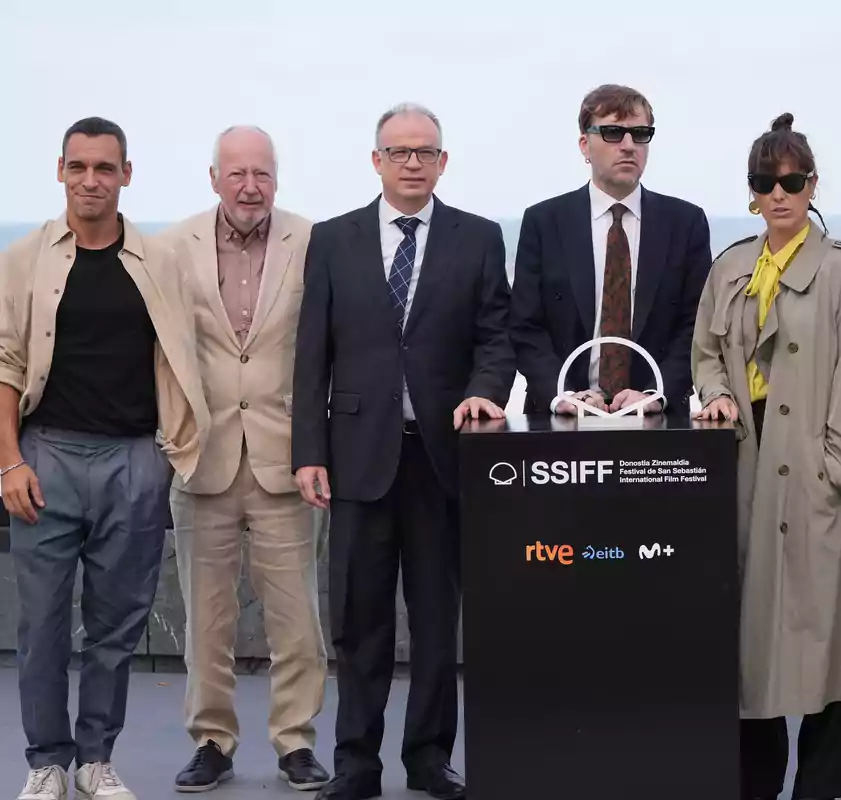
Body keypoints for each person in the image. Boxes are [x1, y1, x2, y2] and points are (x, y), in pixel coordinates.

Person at [291, 102, 514, 800]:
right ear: (377, 160)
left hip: (443, 459)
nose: (413, 162)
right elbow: (310, 356)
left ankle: (427, 760)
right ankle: (356, 764)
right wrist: (307, 451)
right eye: (400, 151)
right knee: (361, 623)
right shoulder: (332, 239)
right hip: (356, 458)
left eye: (425, 151)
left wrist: (486, 391)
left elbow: (495, 337)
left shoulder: (478, 239)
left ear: (443, 162)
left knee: (437, 622)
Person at [0, 117, 209, 800]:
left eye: (105, 168)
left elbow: (186, 354)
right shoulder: (24, 259)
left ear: (126, 174)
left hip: (135, 461)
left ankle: (95, 759)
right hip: (47, 457)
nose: (92, 180)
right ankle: (47, 763)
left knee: (117, 627)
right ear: (61, 170)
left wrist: (171, 454)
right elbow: (5, 365)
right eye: (79, 167)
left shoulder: (159, 263)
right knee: (42, 627)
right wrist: (9, 462)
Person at [692, 113, 841, 800]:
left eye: (790, 181)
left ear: (811, 185)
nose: (778, 194)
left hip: (817, 480)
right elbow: (705, 355)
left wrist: (836, 469)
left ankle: (820, 787)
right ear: (751, 192)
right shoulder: (730, 267)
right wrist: (716, 394)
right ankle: (754, 783)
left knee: (824, 648)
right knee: (751, 649)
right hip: (745, 473)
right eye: (763, 182)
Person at [163, 125, 330, 793]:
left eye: (261, 173)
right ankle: (211, 741)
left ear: (276, 179)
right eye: (237, 174)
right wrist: (169, 433)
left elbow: (330, 344)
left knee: (298, 621)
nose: (250, 186)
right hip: (200, 463)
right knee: (206, 622)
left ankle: (295, 743)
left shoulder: (312, 242)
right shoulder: (172, 246)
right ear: (213, 179)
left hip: (285, 461)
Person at [510, 83, 711, 416]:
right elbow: (525, 327)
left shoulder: (685, 223)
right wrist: (562, 395)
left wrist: (654, 394)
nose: (629, 146)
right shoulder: (544, 222)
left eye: (640, 134)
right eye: (614, 133)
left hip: (656, 421)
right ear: (584, 144)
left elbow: (696, 326)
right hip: (561, 422)